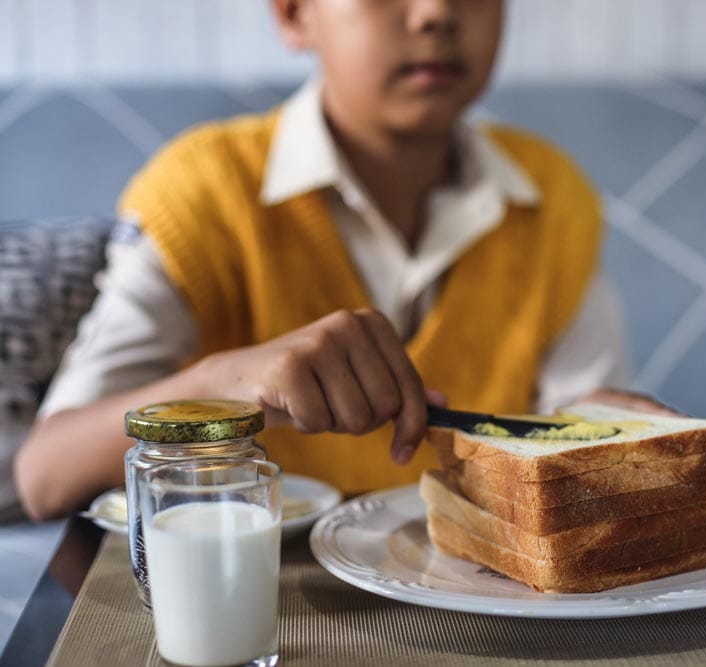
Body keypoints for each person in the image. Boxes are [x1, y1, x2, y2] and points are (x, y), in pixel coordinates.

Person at [15, 0, 634, 520]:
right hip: (267, 601)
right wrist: (226, 386)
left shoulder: (549, 195)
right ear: (293, 14)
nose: (437, 13)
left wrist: (620, 436)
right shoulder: (206, 194)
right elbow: (45, 477)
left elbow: (577, 427)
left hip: (475, 595)